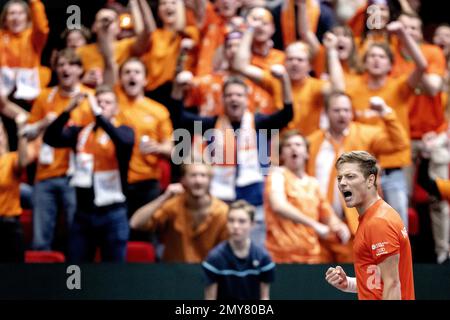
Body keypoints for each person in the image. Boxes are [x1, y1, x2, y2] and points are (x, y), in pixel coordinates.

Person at [168, 66, 293, 248]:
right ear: (223, 99)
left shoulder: (259, 123)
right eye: (229, 95)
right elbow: (178, 118)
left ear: (246, 99)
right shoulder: (211, 124)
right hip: (220, 200)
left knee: (252, 252)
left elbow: (287, 114)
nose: (234, 98)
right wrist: (178, 88)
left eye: (239, 95)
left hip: (253, 201)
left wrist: (284, 81)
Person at [306, 92, 409, 263]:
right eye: (337, 110)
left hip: (355, 224)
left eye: (346, 110)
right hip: (321, 224)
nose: (342, 115)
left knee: (355, 279)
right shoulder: (312, 141)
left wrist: (385, 112)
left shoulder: (365, 134)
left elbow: (399, 143)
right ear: (326, 113)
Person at [43, 87, 134, 263]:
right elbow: (50, 138)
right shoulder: (81, 133)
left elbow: (124, 142)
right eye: (98, 102)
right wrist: (68, 110)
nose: (101, 106)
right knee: (75, 271)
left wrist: (99, 115)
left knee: (114, 273)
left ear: (116, 108)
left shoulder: (124, 131)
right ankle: (74, 291)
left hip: (113, 214)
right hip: (83, 215)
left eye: (107, 103)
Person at [27, 48, 94, 251]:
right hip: (46, 174)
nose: (66, 68)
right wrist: (43, 124)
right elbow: (28, 133)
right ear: (55, 69)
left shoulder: (90, 98)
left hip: (77, 176)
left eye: (72, 64)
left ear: (80, 69)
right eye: (61, 64)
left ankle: (77, 278)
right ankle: (41, 279)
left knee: (77, 236)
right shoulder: (45, 97)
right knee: (41, 240)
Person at [325, 151, 415, 300]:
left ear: (370, 180)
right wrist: (348, 283)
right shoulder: (373, 218)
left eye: (350, 176)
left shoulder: (379, 222)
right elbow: (378, 282)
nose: (342, 183)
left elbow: (392, 285)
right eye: (340, 178)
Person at [265, 130, 350, 263]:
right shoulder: (277, 175)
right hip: (281, 255)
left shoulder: (313, 183)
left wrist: (339, 226)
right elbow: (278, 206)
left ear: (307, 153)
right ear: (281, 154)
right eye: (288, 145)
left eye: (298, 145)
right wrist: (315, 225)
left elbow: (328, 216)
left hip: (311, 255)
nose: (293, 148)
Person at [129, 161, 229, 263]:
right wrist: (164, 197)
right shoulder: (173, 206)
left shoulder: (222, 211)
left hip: (208, 273)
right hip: (174, 271)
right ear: (183, 180)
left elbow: (227, 250)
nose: (198, 181)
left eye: (203, 176)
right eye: (193, 175)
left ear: (210, 180)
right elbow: (135, 223)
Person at [202, 200, 275, 300]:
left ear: (252, 224)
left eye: (242, 221)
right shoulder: (214, 259)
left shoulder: (263, 258)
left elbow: (265, 297)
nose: (235, 226)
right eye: (231, 220)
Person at [0, 114, 33, 262]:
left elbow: (23, 162)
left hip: (9, 226)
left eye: (0, 133)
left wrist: (22, 133)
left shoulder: (11, 158)